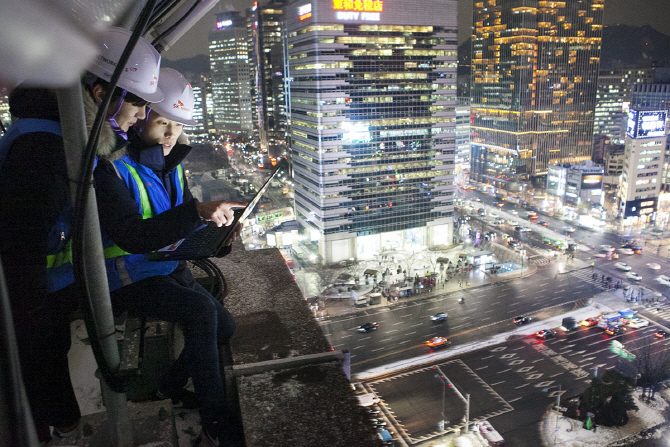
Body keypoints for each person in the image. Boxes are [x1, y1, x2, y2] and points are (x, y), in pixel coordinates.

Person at [0, 27, 163, 444]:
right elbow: (20, 260)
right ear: (99, 94)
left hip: (42, 299)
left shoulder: (56, 138)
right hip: (29, 309)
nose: (142, 117)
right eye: (139, 103)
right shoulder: (47, 152)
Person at [94, 67, 244, 447]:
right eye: (162, 122)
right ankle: (216, 419)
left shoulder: (172, 165)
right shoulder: (113, 168)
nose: (169, 134)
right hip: (126, 276)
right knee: (201, 313)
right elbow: (135, 235)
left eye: (176, 126)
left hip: (166, 265)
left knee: (225, 327)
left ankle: (166, 386)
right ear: (142, 117)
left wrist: (216, 230)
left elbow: (176, 220)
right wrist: (195, 214)